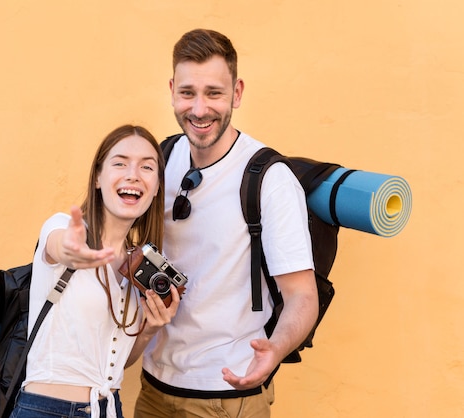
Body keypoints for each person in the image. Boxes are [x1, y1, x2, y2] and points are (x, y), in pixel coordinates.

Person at [47, 29, 319, 418]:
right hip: (154, 387)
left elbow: (302, 296)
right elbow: (109, 237)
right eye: (188, 93)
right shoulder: (160, 158)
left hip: (226, 394)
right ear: (173, 90)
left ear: (237, 93)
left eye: (214, 93)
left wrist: (275, 350)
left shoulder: (268, 179)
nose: (200, 108)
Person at [10, 124, 181, 418]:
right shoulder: (63, 227)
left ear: (156, 189)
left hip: (109, 409)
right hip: (47, 410)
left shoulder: (139, 267)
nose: (133, 174)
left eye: (147, 167)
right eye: (120, 163)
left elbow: (116, 364)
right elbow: (58, 246)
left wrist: (150, 328)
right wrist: (70, 252)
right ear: (99, 178)